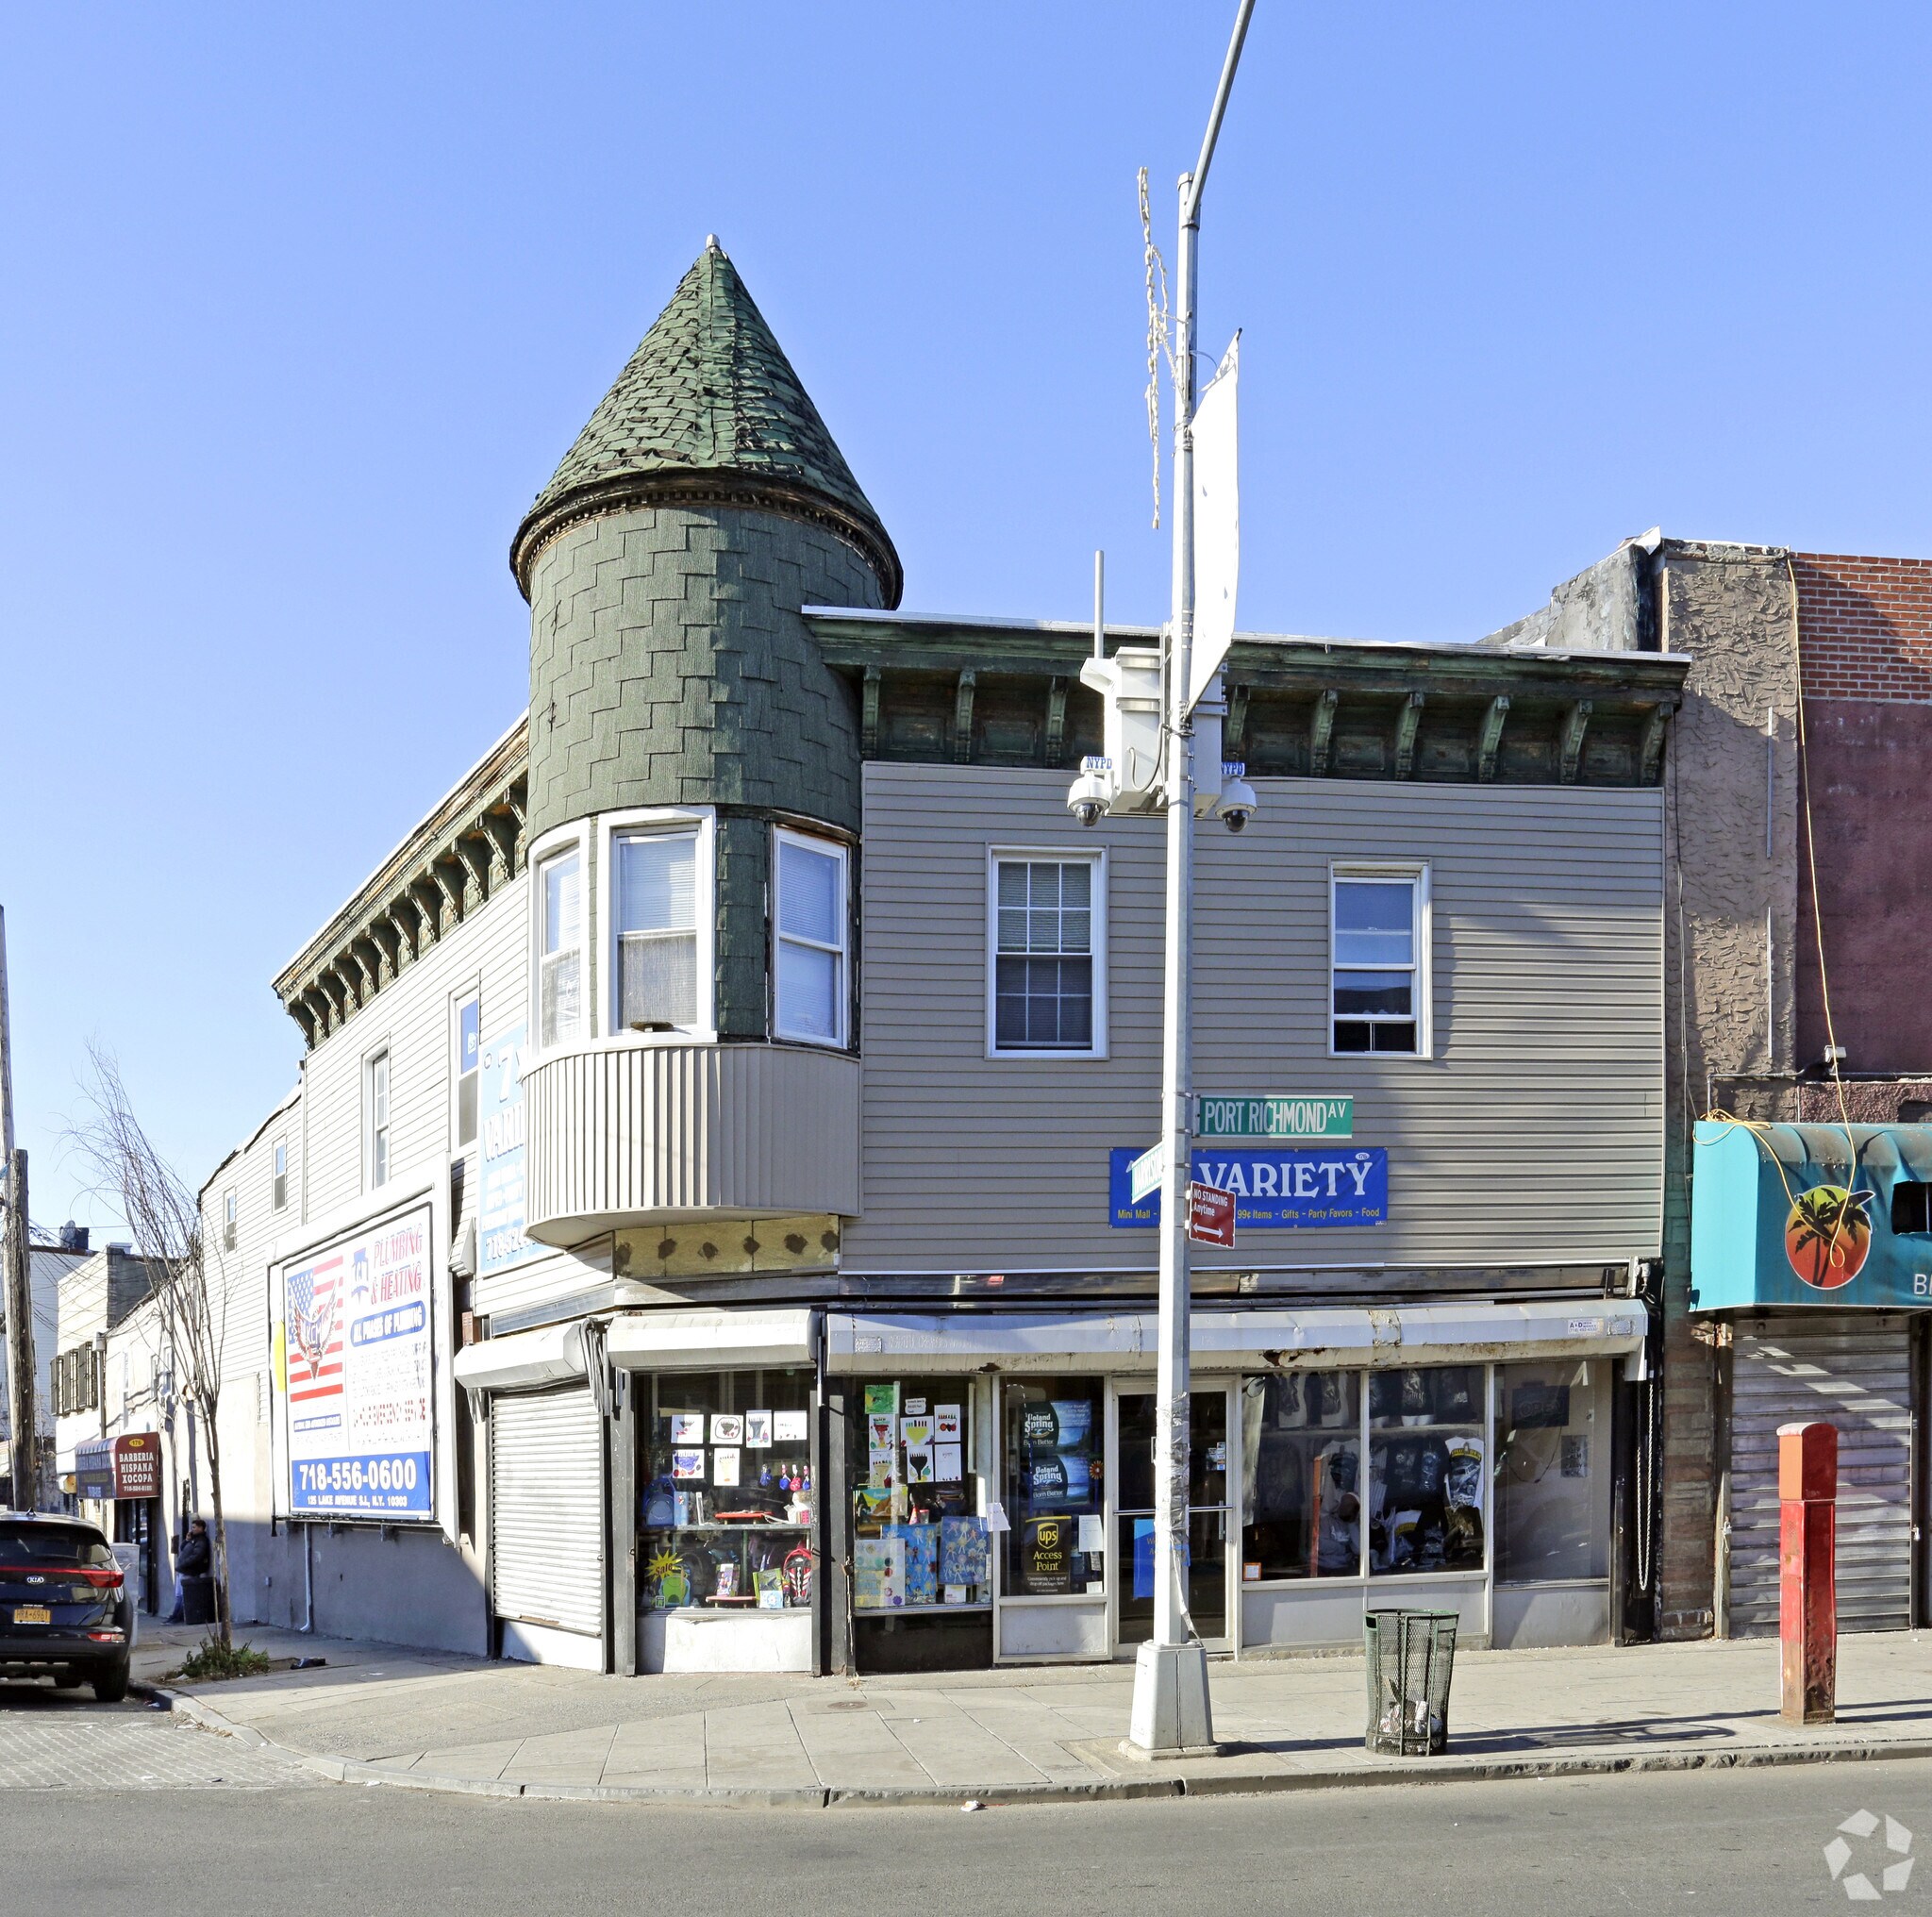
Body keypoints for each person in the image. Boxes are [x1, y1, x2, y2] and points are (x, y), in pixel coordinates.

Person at [167, 1517, 212, 1624]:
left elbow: (197, 1555)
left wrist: (184, 1564)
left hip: (189, 1571)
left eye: (194, 1527)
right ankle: (174, 1615)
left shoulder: (201, 1540)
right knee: (179, 1595)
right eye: (192, 1527)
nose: (192, 1529)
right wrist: (187, 1539)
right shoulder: (193, 1539)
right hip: (182, 1570)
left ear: (201, 1528)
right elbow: (182, 1548)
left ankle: (178, 1616)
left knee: (184, 1595)